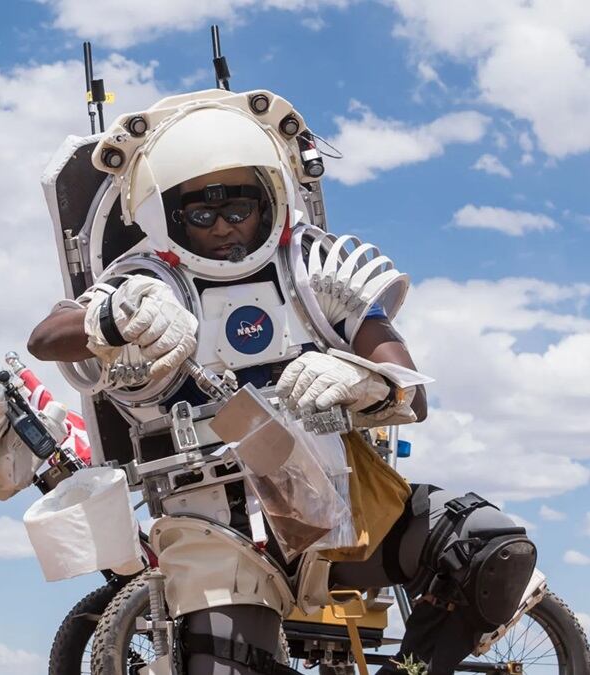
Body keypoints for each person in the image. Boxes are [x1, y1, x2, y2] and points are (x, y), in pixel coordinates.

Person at [29, 89, 536, 675]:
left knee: (489, 544)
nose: (223, 227)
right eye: (201, 214)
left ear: (268, 199)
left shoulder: (313, 266)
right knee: (227, 662)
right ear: (169, 216)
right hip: (214, 522)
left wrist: (361, 379)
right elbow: (47, 337)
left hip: (342, 506)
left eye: (237, 209)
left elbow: (409, 391)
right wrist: (113, 317)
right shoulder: (146, 279)